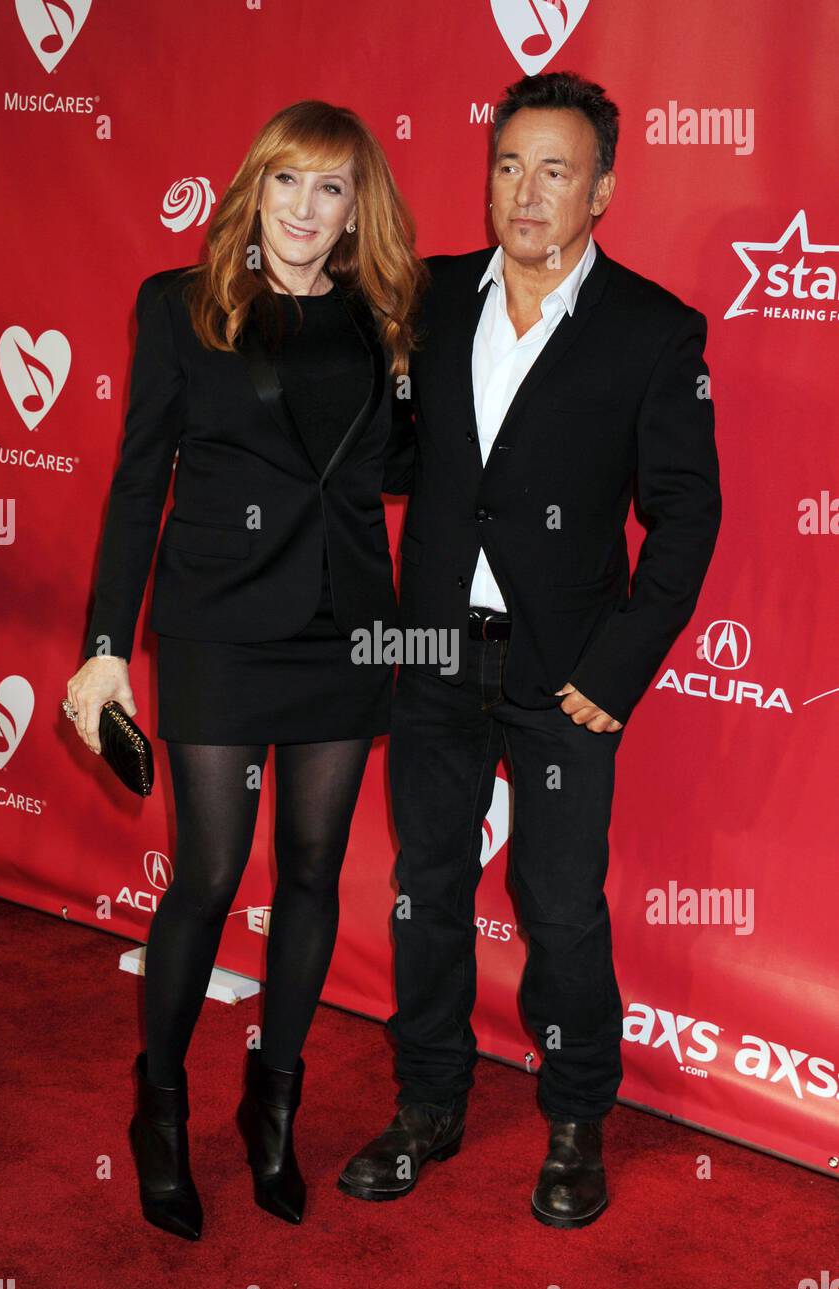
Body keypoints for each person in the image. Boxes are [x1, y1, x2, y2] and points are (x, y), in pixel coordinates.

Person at [339, 71, 722, 1227]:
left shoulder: (653, 332)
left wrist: (614, 672)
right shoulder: (431, 297)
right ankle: (429, 1103)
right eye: (509, 164)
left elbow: (687, 514)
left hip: (565, 671)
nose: (526, 191)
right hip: (433, 648)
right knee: (428, 886)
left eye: (555, 170)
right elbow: (395, 456)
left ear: (601, 188)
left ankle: (574, 1119)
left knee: (557, 905)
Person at [65, 99, 424, 1239]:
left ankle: (272, 1102)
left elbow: (402, 469)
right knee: (211, 877)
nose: (305, 211)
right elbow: (138, 483)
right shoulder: (178, 307)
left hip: (343, 630)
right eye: (286, 183)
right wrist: (105, 647)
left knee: (314, 871)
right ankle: (160, 1110)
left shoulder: (383, 320)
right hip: (218, 622)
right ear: (253, 187)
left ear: (354, 205)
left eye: (330, 189)